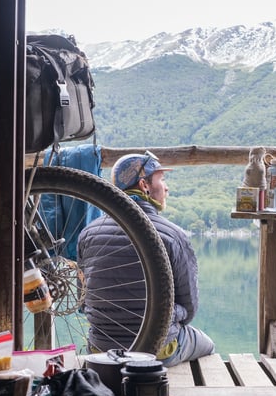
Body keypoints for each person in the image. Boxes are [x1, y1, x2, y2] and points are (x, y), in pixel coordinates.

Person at [77, 151, 215, 367]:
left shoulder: (88, 233)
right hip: (157, 349)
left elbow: (83, 301)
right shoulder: (173, 235)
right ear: (144, 185)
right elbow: (189, 308)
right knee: (208, 344)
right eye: (162, 179)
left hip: (101, 349)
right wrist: (172, 313)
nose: (166, 188)